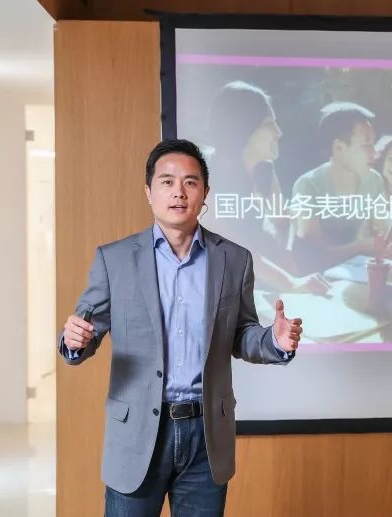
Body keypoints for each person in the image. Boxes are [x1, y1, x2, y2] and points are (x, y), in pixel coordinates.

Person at [58, 139, 304, 516]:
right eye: (167, 181)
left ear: (204, 194)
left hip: (206, 435)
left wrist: (274, 340)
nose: (179, 191)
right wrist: (74, 341)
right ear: (149, 192)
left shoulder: (234, 259)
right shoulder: (114, 259)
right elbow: (85, 331)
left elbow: (241, 334)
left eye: (190, 182)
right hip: (138, 433)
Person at [205, 81, 329, 295]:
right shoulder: (202, 174)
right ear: (243, 129)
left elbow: (282, 221)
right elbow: (229, 245)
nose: (278, 132)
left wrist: (287, 255)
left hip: (254, 279)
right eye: (269, 124)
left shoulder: (265, 170)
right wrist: (289, 282)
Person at [291, 101, 390, 273]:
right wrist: (360, 247)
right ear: (339, 148)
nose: (374, 153)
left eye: (373, 144)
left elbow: (380, 237)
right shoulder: (308, 186)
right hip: (318, 279)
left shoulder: (374, 181)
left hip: (360, 274)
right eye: (366, 144)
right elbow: (313, 255)